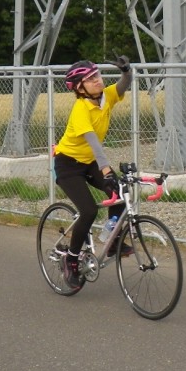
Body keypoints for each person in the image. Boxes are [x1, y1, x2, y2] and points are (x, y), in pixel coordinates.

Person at [53, 55, 133, 291]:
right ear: (80, 88)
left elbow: (123, 84)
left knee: (119, 193)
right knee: (87, 211)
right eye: (90, 79)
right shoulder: (81, 109)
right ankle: (71, 258)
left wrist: (126, 70)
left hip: (88, 162)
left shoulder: (105, 96)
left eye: (97, 75)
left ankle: (112, 240)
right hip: (68, 165)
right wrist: (106, 169)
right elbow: (94, 144)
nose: (97, 80)